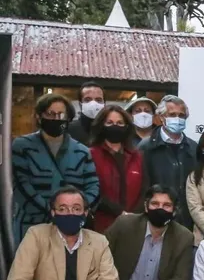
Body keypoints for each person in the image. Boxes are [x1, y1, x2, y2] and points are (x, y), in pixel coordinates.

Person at [12, 94, 99, 245]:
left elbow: (93, 186)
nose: (56, 118)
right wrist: (53, 211)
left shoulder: (82, 151)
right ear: (39, 117)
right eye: (50, 114)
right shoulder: (22, 146)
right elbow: (21, 185)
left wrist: (77, 210)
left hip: (71, 228)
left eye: (61, 114)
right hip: (31, 226)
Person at [140, 95, 198, 231]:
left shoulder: (194, 148)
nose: (177, 119)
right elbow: (142, 185)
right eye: (172, 115)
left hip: (187, 220)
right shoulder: (146, 147)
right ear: (161, 117)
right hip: (156, 217)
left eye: (181, 115)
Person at [89, 105, 145, 233]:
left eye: (120, 123)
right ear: (101, 125)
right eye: (110, 123)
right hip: (101, 226)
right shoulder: (91, 154)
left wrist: (133, 215)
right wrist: (120, 213)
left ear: (127, 127)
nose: (115, 126)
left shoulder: (137, 156)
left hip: (133, 226)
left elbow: (144, 189)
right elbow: (93, 192)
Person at [66, 81, 104, 145]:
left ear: (104, 104)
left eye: (98, 100)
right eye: (88, 100)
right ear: (80, 104)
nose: (93, 104)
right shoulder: (68, 130)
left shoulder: (109, 130)